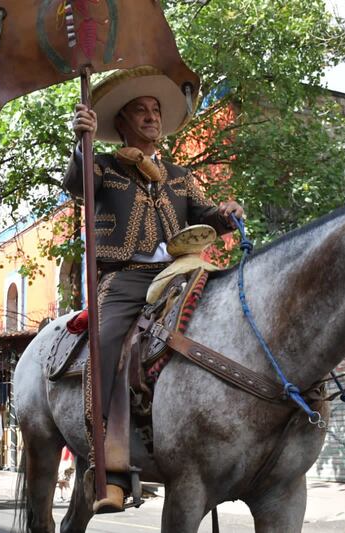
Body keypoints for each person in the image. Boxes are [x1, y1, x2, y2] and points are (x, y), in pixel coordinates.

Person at [64, 66, 244, 513]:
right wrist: (80, 144)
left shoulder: (180, 175)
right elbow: (75, 186)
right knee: (105, 344)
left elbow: (205, 214)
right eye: (140, 111)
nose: (151, 117)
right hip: (125, 277)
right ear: (121, 123)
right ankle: (106, 461)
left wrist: (226, 212)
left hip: (181, 271)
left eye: (155, 111)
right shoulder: (103, 166)